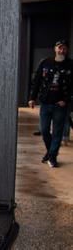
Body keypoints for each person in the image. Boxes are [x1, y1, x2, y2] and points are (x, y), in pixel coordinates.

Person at [28, 39, 73, 167]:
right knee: (44, 130)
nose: (61, 50)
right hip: (45, 103)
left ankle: (52, 157)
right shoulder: (45, 63)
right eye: (59, 48)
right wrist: (32, 98)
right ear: (55, 49)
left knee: (58, 132)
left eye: (64, 48)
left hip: (60, 105)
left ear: (67, 50)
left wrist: (66, 100)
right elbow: (36, 81)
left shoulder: (71, 65)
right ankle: (50, 152)